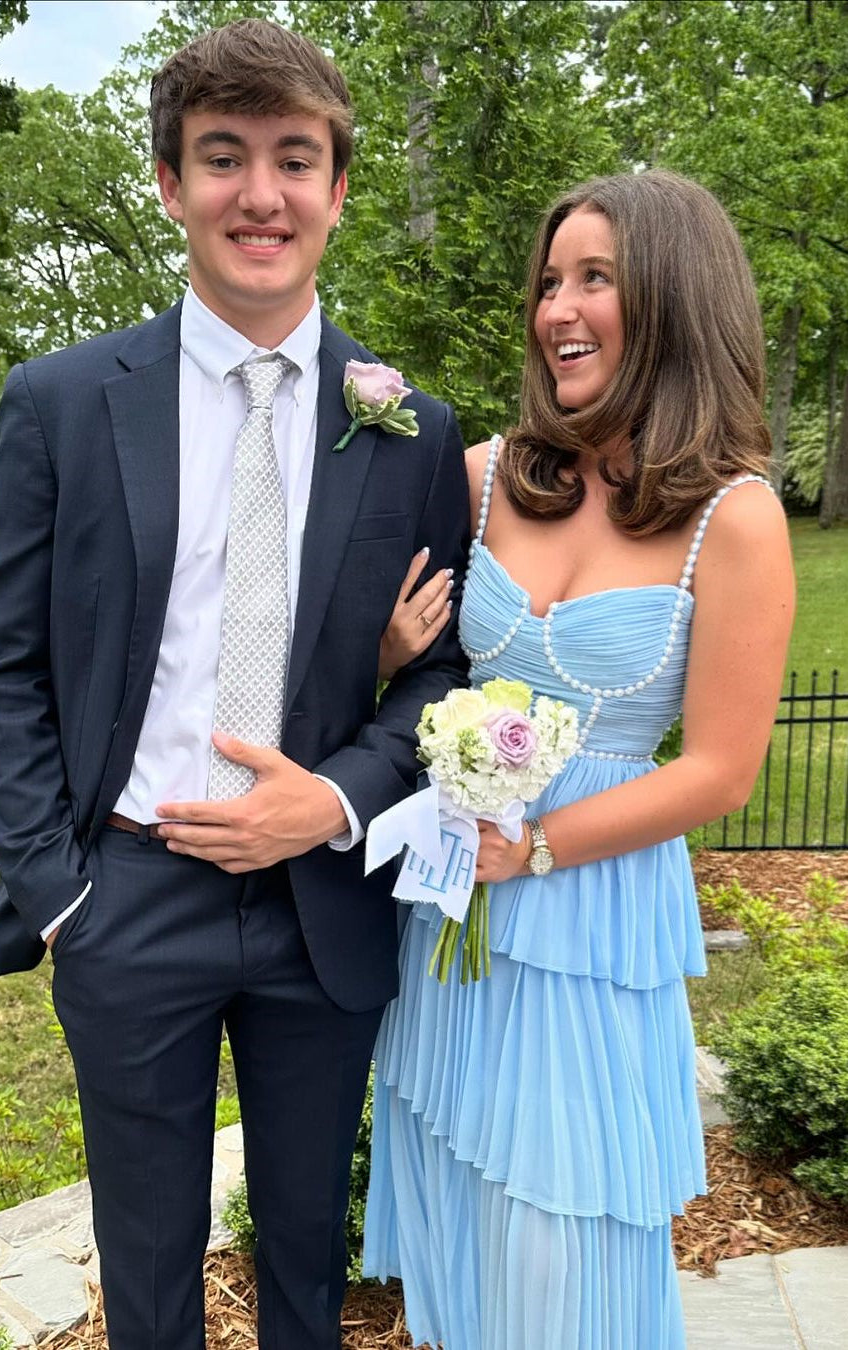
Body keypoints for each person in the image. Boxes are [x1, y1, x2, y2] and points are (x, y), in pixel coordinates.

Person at [0, 18, 469, 1350]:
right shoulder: (65, 402)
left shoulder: (411, 427)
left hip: (322, 911)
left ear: (339, 189)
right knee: (149, 1269)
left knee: (309, 1257)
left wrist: (342, 801)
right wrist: (59, 891)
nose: (263, 193)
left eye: (296, 159)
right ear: (170, 181)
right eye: (225, 156)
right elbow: (5, 664)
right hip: (129, 896)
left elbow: (447, 673)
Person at [363, 169, 795, 1348]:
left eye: (594, 278)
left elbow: (720, 771)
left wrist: (537, 848)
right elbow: (406, 672)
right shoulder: (487, 474)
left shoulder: (732, 516)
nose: (557, 307)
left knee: (565, 1244)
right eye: (550, 281)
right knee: (456, 1199)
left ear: (672, 296)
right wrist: (393, 655)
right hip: (454, 917)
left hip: (592, 918)